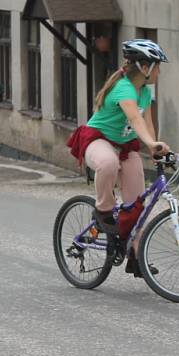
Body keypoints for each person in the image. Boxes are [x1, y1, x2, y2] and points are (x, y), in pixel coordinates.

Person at [66, 39, 170, 277]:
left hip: (124, 145)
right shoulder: (124, 88)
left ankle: (136, 255)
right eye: (158, 66)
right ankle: (103, 211)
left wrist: (155, 150)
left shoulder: (145, 92)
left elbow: (148, 123)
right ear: (145, 67)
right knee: (108, 163)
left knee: (137, 205)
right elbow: (134, 120)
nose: (160, 71)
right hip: (97, 140)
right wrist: (151, 143)